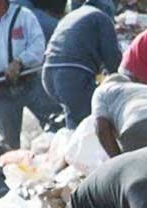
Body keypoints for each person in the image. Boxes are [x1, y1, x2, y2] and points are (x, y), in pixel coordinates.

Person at [0, 0, 61, 149]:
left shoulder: (24, 17)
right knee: (9, 144)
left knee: (56, 128)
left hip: (30, 84)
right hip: (0, 92)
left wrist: (20, 61)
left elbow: (38, 46)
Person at [42, 0, 121, 129]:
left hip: (48, 74)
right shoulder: (101, 17)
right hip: (71, 75)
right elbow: (112, 59)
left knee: (74, 119)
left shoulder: (72, 15)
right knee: (92, 121)